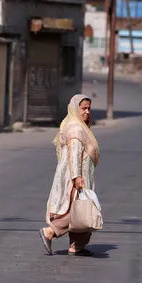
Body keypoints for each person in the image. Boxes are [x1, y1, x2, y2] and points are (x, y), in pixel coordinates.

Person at [39, 94, 100, 256]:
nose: (87, 112)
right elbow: (74, 154)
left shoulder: (80, 126)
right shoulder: (76, 128)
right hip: (76, 177)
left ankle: (77, 245)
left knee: (82, 208)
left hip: (82, 175)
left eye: (89, 108)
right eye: (83, 108)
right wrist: (76, 177)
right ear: (75, 109)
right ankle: (49, 232)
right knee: (77, 210)